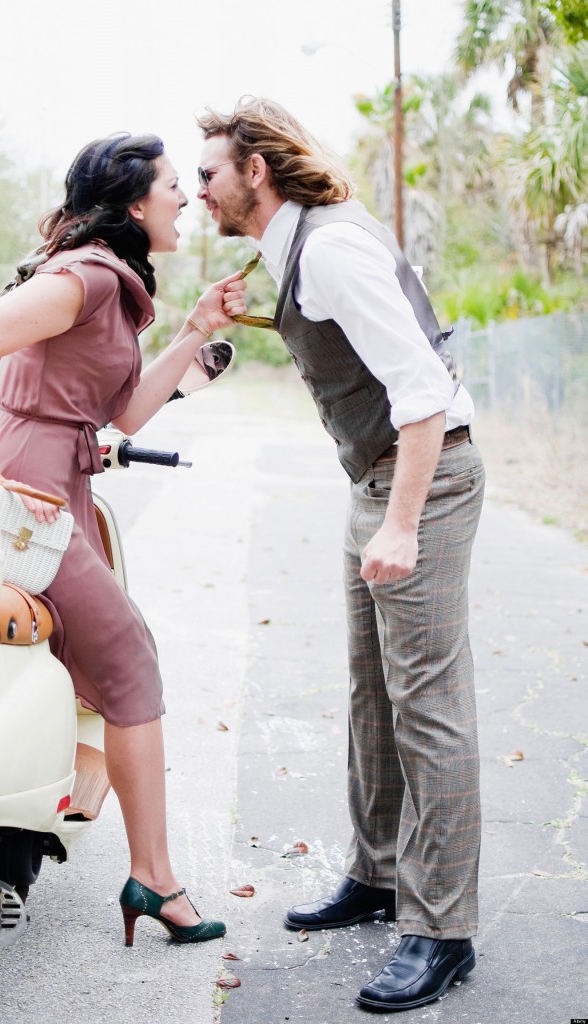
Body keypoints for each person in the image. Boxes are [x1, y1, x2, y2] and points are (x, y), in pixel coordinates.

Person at [196, 97, 485, 1012]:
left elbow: (423, 389)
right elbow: (336, 334)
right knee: (373, 691)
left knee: (427, 705)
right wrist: (260, 321)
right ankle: (378, 874)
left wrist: (401, 523)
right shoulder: (298, 253)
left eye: (208, 172)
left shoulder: (330, 246)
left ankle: (442, 932)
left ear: (256, 172)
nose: (197, 188)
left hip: (421, 485)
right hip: (380, 482)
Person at [0, 132, 246, 947]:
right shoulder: (82, 277)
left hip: (62, 480)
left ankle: (64, 832)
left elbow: (123, 417)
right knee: (126, 653)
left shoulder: (113, 288)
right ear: (134, 204)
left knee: (103, 654)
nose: (186, 198)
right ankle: (152, 877)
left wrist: (195, 328)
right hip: (29, 488)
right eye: (176, 186)